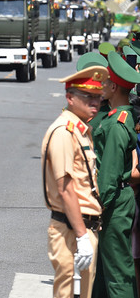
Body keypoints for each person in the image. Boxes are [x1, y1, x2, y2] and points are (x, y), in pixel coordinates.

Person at [42, 65, 107, 298]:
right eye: (88, 97)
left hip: (83, 228)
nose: (95, 103)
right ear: (70, 97)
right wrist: (81, 236)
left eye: (98, 97)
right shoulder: (64, 132)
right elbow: (65, 189)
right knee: (68, 294)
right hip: (71, 230)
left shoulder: (80, 130)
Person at [91, 52, 140, 298]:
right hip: (116, 202)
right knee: (102, 272)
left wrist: (93, 210)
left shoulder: (117, 125)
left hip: (113, 206)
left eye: (104, 81)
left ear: (113, 86)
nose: (100, 85)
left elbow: (108, 178)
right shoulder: (117, 118)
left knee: (118, 274)